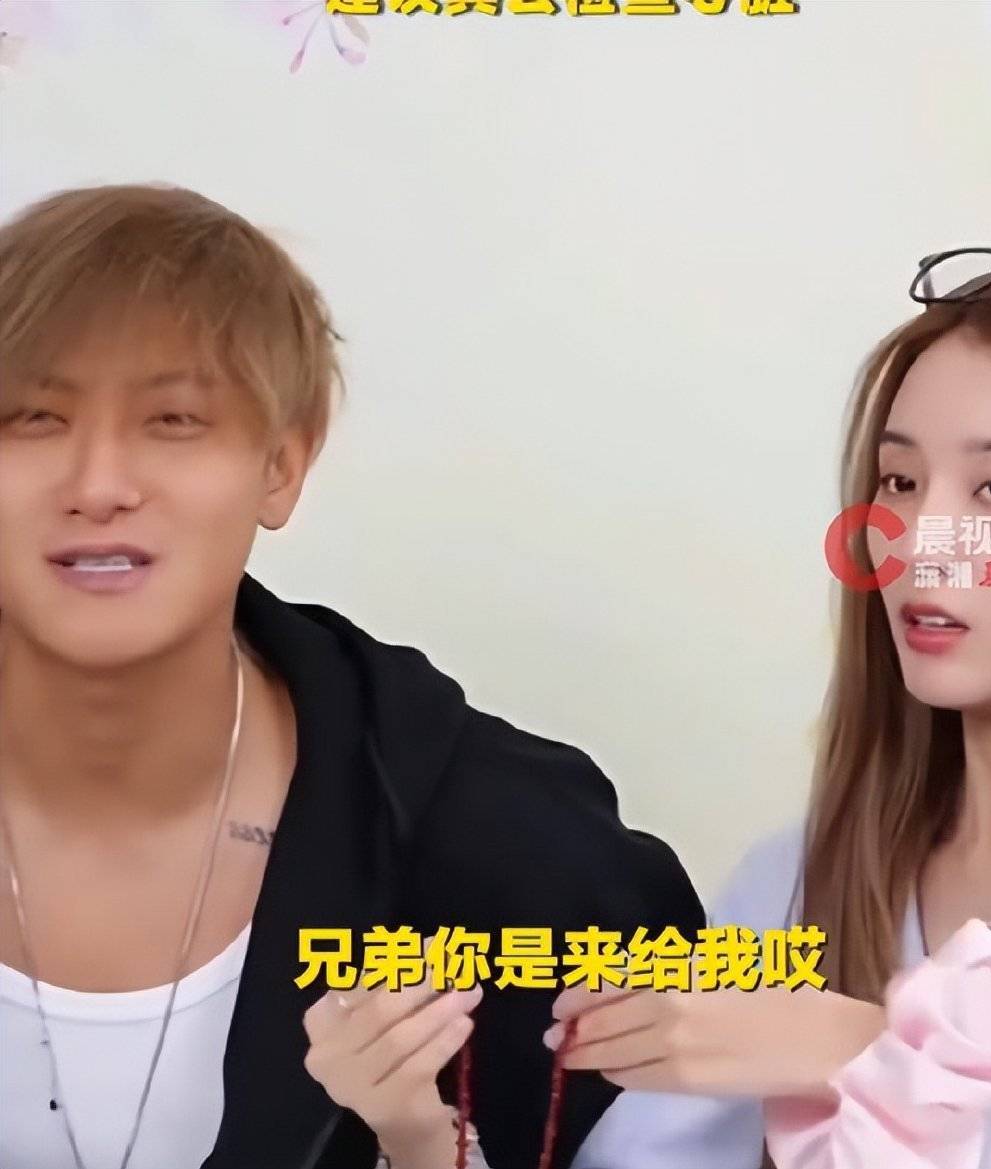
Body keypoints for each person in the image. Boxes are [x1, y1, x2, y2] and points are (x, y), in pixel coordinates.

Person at [0, 182, 704, 1169]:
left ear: (282, 465)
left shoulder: (510, 850)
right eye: (33, 417)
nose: (99, 484)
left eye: (174, 419)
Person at [552, 250, 991, 1169]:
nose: (916, 543)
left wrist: (872, 1057)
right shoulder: (793, 882)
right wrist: (425, 1136)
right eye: (899, 481)